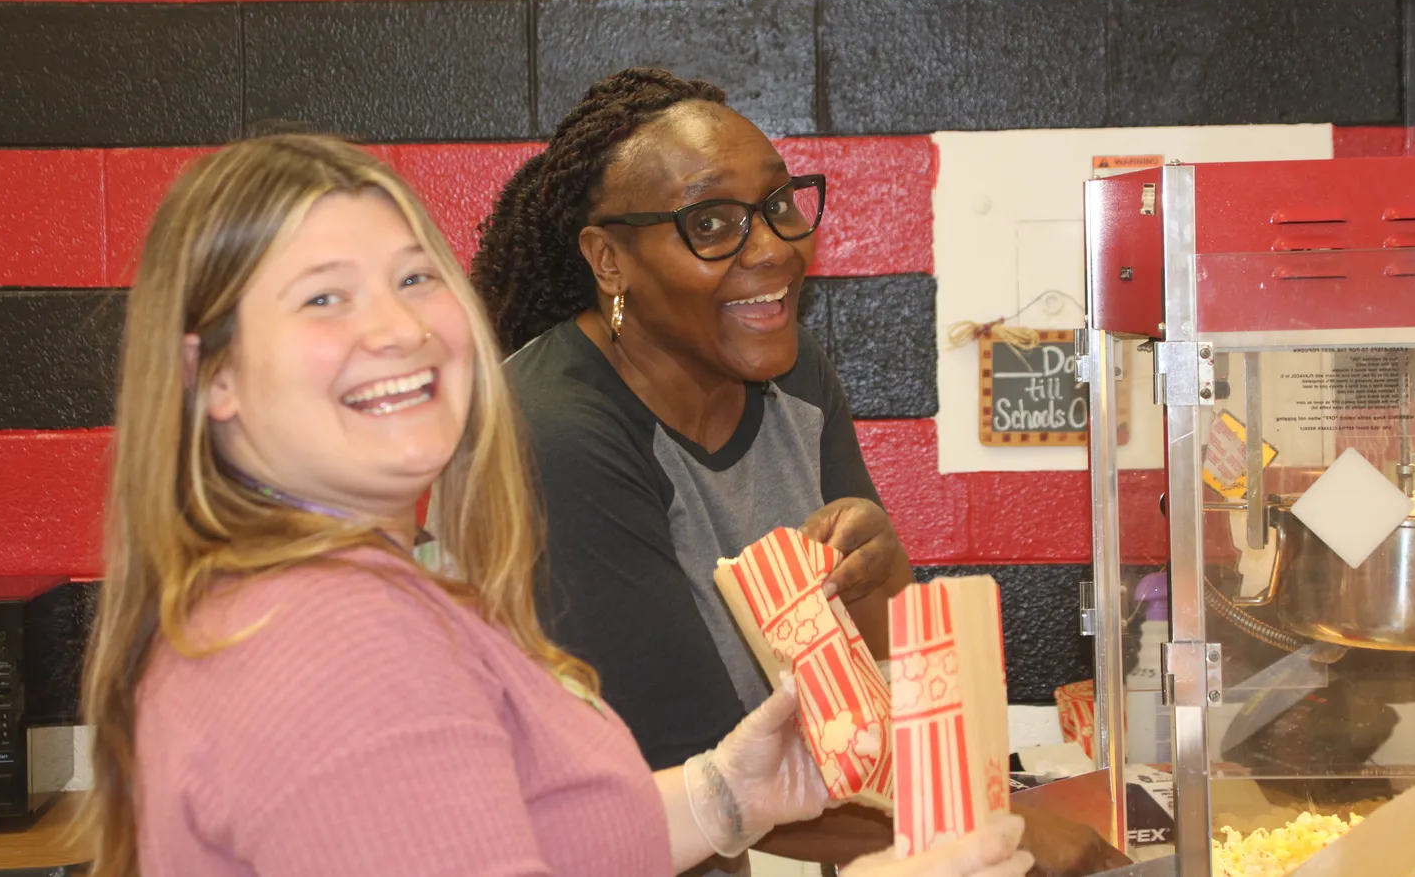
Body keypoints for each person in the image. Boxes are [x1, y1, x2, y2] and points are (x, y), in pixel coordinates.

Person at [77, 134, 1034, 877]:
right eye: (324, 299)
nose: (398, 326)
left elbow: (491, 837)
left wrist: (721, 799)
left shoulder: (296, 592)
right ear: (216, 383)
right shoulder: (340, 641)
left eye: (414, 276)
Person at [471, 70, 1132, 874]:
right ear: (609, 260)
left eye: (779, 205)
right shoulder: (555, 432)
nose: (773, 246)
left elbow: (872, 694)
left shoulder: (790, 374)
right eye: (710, 221)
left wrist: (882, 582)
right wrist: (1006, 831)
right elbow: (704, 765)